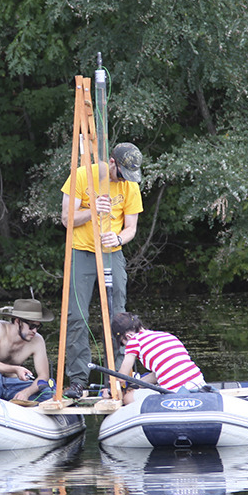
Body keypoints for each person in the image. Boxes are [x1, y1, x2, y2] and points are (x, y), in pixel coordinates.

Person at [61, 142, 144, 397]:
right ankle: (78, 380)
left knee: (119, 317)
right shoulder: (82, 175)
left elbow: (131, 228)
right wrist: (92, 211)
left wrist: (119, 239)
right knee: (76, 316)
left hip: (112, 253)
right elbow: (66, 219)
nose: (124, 179)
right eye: (121, 173)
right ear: (112, 162)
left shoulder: (130, 185)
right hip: (82, 250)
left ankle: (120, 376)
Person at [111, 311, 207, 405]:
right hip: (200, 383)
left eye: (122, 343)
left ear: (128, 336)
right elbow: (158, 374)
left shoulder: (134, 341)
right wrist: (135, 385)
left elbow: (122, 377)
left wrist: (110, 389)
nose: (125, 346)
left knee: (128, 398)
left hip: (175, 392)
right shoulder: (167, 335)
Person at [0, 298, 56, 402]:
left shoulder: (37, 340)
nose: (34, 331)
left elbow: (44, 376)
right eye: (32, 326)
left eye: (38, 327)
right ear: (17, 321)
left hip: (12, 385)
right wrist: (16, 369)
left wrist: (26, 392)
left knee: (48, 392)